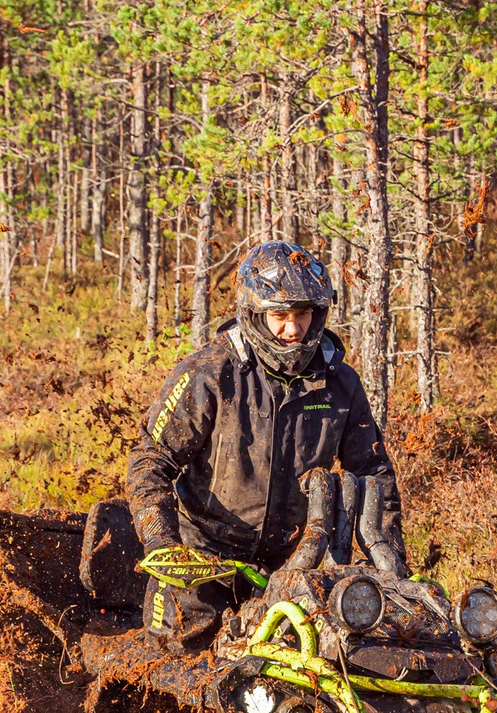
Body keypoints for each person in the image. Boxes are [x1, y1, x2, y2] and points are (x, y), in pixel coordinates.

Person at [127, 240, 400, 645]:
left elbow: (374, 472)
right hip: (201, 563)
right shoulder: (210, 373)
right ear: (255, 314)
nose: (293, 329)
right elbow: (151, 459)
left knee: (301, 685)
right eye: (280, 315)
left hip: (292, 567)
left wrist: (393, 569)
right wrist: (164, 546)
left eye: (303, 314)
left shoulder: (340, 383)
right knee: (179, 672)